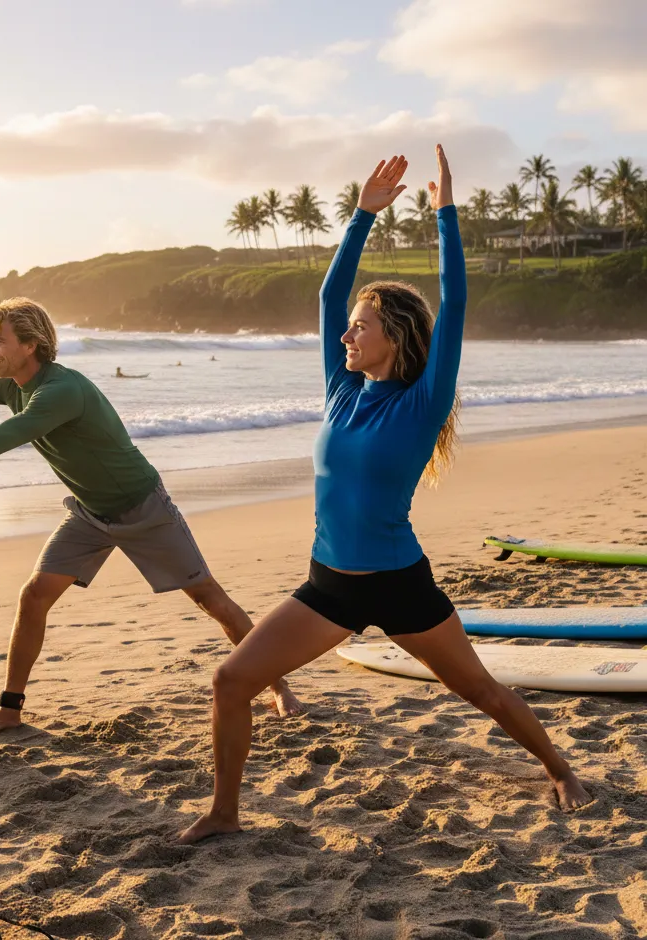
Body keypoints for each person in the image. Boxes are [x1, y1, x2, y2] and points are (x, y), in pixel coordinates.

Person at [178, 146, 590, 846]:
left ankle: (560, 767)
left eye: (361, 327)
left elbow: (455, 301)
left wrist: (447, 216)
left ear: (391, 337)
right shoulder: (342, 392)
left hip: (401, 587)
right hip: (328, 586)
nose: (345, 333)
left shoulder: (422, 404)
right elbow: (325, 300)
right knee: (230, 681)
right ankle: (224, 813)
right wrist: (362, 217)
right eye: (350, 326)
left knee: (482, 692)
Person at [0, 297, 304, 740]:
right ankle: (10, 709)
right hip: (90, 512)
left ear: (30, 345)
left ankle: (278, 685)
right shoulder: (10, 385)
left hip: (142, 507)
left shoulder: (60, 391)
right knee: (33, 596)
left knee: (209, 598)